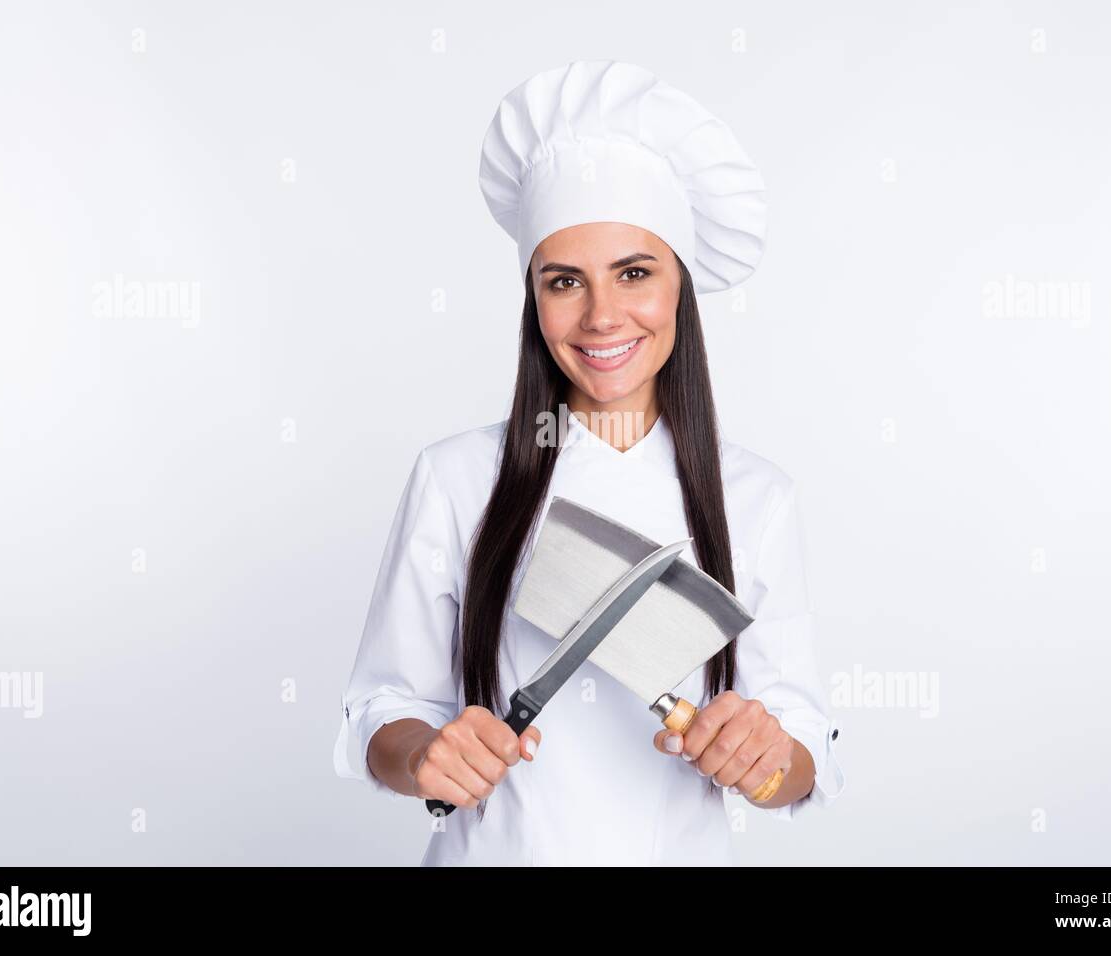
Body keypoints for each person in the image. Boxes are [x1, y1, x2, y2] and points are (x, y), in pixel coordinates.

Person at [334, 59, 844, 866]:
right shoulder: (457, 479)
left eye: (634, 273)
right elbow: (381, 709)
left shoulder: (757, 499)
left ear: (679, 286)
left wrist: (763, 757)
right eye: (565, 281)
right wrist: (425, 756)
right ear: (534, 300)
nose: (603, 314)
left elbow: (803, 750)